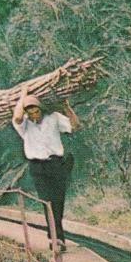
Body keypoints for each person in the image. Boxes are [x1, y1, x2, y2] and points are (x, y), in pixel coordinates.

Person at [12, 85, 79, 251]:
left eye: (36, 111)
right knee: (47, 201)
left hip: (56, 164)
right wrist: (23, 95)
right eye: (31, 112)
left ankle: (58, 236)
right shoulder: (24, 125)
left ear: (41, 109)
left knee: (58, 201)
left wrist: (67, 108)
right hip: (37, 167)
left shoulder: (54, 118)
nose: (34, 115)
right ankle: (55, 238)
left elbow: (75, 126)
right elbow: (18, 117)